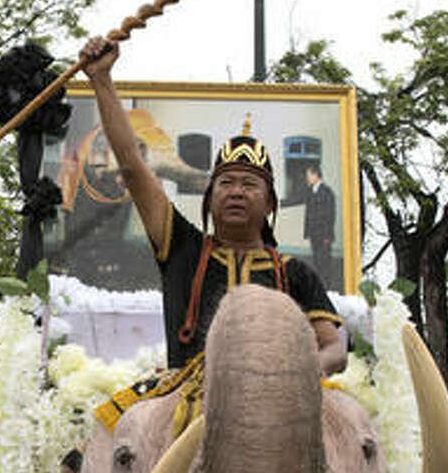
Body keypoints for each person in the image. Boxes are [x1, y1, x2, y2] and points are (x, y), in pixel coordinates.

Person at [79, 36, 346, 386]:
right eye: (226, 183)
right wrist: (101, 79)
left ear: (269, 204)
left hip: (275, 403)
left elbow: (335, 351)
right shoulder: (181, 247)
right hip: (186, 403)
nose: (236, 191)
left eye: (249, 185)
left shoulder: (297, 273)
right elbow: (131, 165)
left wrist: (292, 376)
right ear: (209, 198)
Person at [303, 162, 337, 284]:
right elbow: (308, 213)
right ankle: (320, 287)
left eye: (308, 175)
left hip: (324, 235)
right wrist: (307, 231)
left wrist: (328, 236)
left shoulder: (327, 192)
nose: (307, 178)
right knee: (317, 261)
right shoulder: (310, 192)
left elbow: (330, 215)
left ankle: (327, 287)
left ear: (316, 175)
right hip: (314, 234)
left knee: (325, 262)